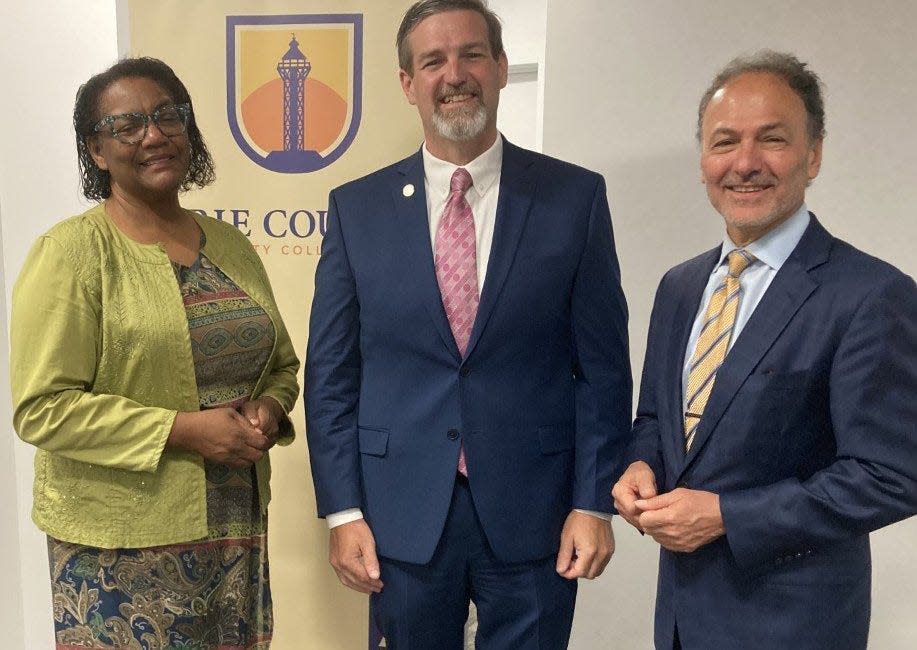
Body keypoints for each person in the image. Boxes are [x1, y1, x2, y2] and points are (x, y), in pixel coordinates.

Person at [305, 0, 631, 647]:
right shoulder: (355, 210)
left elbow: (602, 370)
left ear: (502, 67)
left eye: (471, 54)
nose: (454, 74)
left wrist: (592, 502)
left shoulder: (573, 199)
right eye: (432, 61)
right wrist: (343, 511)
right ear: (407, 83)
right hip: (400, 516)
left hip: (534, 513)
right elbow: (331, 377)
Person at [612, 50, 917, 650]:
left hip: (794, 626)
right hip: (679, 618)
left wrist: (728, 516)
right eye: (724, 142)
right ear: (703, 160)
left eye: (772, 139)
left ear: (814, 154)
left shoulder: (871, 294)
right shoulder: (679, 287)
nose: (745, 163)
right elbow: (656, 420)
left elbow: (891, 475)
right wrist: (639, 463)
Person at [11, 57, 299, 649]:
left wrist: (269, 408)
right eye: (127, 125)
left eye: (168, 115)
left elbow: (282, 366)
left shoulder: (230, 245)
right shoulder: (71, 253)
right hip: (120, 551)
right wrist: (184, 431)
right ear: (95, 151)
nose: (154, 134)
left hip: (234, 531)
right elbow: (43, 408)